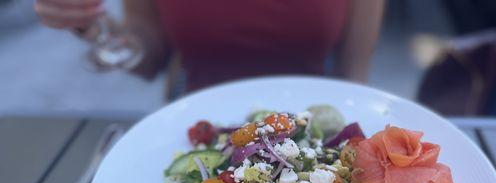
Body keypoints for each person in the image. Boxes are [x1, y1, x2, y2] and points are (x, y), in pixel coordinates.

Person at [34, 0, 384, 93]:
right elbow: (148, 58)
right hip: (194, 122)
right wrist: (90, 24)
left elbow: (353, 77)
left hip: (313, 120)